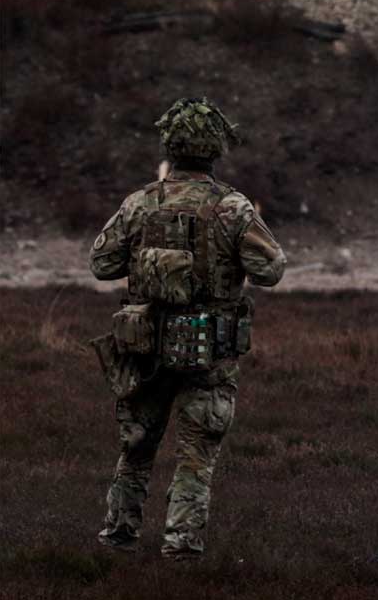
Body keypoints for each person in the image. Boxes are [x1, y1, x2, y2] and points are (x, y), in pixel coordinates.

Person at [88, 97, 286, 558]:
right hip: (209, 353)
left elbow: (101, 263)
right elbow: (270, 271)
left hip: (144, 346)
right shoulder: (232, 207)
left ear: (170, 146)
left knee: (136, 446)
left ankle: (118, 537)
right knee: (197, 453)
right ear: (216, 148)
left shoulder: (139, 202)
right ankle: (180, 548)